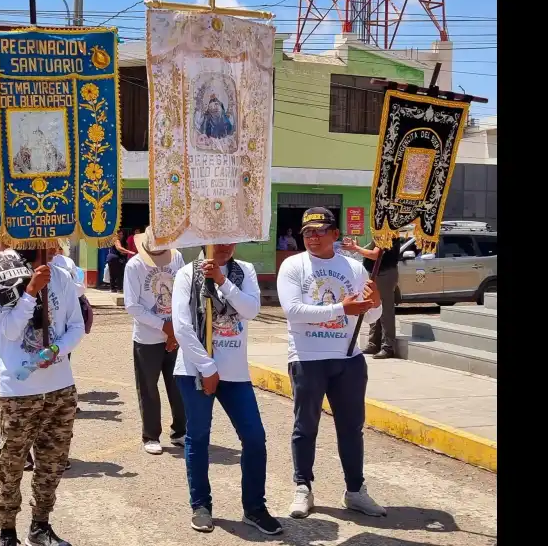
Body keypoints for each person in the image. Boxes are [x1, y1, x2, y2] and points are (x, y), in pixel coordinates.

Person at [276, 207, 385, 520]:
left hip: (348, 359)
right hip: (307, 358)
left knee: (351, 428)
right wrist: (341, 309)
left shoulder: (354, 268)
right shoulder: (292, 266)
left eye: (320, 230)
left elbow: (371, 315)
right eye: (307, 232)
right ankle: (302, 488)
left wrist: (374, 300)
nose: (313, 236)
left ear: (336, 235)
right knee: (305, 426)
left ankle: (355, 491)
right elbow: (293, 310)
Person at [171, 242, 280, 535]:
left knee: (255, 438)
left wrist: (222, 280)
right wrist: (207, 368)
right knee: (198, 437)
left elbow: (251, 309)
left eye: (231, 237)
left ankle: (255, 507)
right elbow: (182, 326)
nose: (225, 244)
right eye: (218, 238)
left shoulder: (244, 270)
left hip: (235, 372)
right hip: (195, 370)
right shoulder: (186, 274)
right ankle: (201, 505)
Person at [0, 248, 85, 546]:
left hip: (60, 387)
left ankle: (40, 525)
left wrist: (56, 350)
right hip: (19, 392)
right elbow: (10, 332)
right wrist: (30, 292)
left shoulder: (62, 277)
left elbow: (76, 326)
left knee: (52, 462)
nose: (54, 245)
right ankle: (7, 531)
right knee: (12, 463)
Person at [123, 227, 187, 455]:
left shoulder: (176, 257)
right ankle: (151, 435)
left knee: (179, 385)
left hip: (175, 334)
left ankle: (180, 431)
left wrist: (174, 331)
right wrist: (163, 326)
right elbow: (132, 305)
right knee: (149, 388)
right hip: (147, 338)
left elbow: (183, 293)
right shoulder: (135, 266)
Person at [342, 236, 402, 360]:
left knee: (385, 309)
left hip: (384, 273)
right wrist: (356, 248)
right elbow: (370, 251)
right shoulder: (378, 233)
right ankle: (374, 343)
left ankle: (388, 347)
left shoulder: (388, 232)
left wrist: (356, 248)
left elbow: (375, 255)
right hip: (374, 273)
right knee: (372, 306)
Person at [106, 228, 135, 293]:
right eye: (120, 234)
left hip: (115, 258)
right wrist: (129, 252)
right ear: (116, 234)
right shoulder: (116, 240)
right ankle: (118, 289)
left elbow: (122, 251)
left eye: (122, 234)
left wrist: (125, 252)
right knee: (119, 274)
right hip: (115, 259)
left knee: (114, 274)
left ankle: (114, 288)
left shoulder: (122, 241)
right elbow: (119, 248)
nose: (121, 236)